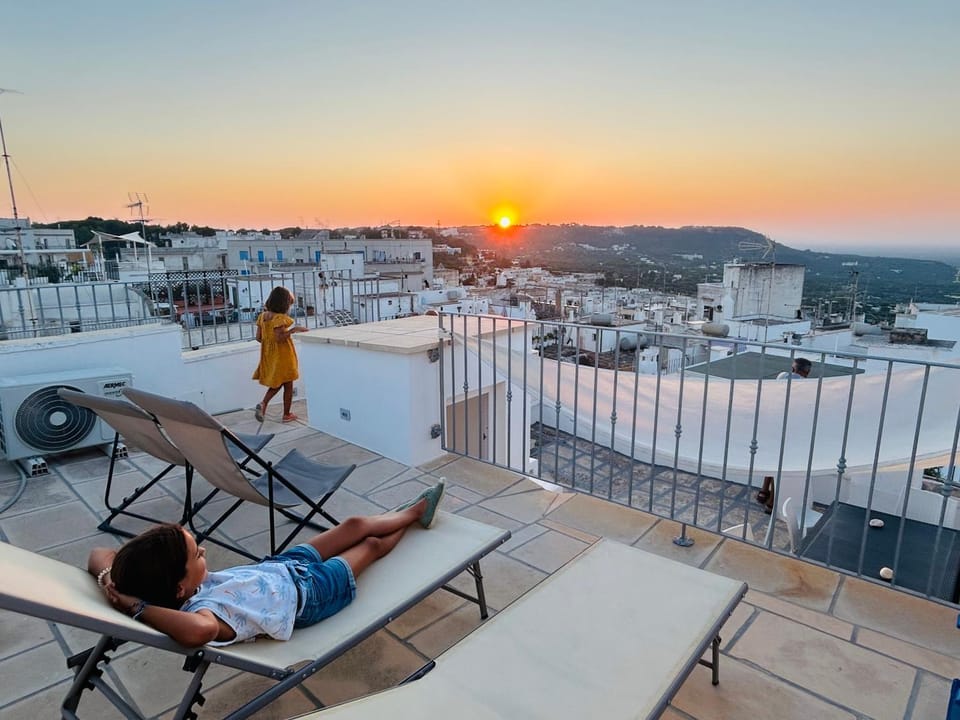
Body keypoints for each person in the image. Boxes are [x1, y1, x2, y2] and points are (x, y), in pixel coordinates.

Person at [87, 480, 446, 648]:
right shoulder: (203, 611)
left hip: (279, 568)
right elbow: (199, 634)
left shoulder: (156, 579)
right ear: (179, 588)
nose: (205, 552)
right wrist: (138, 607)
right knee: (368, 544)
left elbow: (98, 554)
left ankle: (407, 511)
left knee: (353, 523)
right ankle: (413, 518)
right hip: (309, 596)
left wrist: (108, 581)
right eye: (197, 555)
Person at [253, 286, 307, 423]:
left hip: (269, 354)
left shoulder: (263, 316)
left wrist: (269, 343)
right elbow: (279, 337)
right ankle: (286, 414)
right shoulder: (280, 318)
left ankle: (264, 404)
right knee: (288, 384)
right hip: (283, 355)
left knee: (278, 382)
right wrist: (293, 330)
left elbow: (259, 338)